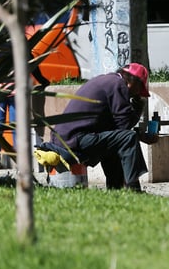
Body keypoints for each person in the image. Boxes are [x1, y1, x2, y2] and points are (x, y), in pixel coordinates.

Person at [50, 63, 158, 192]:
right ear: (133, 82)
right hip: (74, 140)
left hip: (67, 139)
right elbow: (124, 126)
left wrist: (141, 135)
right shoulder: (118, 84)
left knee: (115, 142)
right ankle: (134, 190)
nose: (137, 94)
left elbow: (117, 129)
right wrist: (138, 107)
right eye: (138, 91)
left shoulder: (108, 81)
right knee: (128, 138)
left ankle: (115, 190)